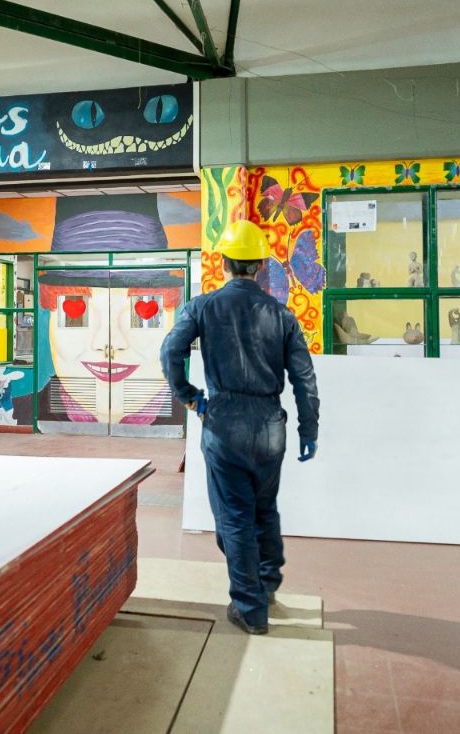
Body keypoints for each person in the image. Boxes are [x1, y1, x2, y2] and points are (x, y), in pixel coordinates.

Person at [160, 220, 320, 635]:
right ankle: (265, 584)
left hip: (224, 424)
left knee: (233, 516)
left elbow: (170, 351)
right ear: (261, 266)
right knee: (264, 509)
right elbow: (304, 378)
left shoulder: (202, 307)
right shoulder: (282, 315)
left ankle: (249, 608)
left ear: (224, 263)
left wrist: (190, 396)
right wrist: (308, 429)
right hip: (270, 427)